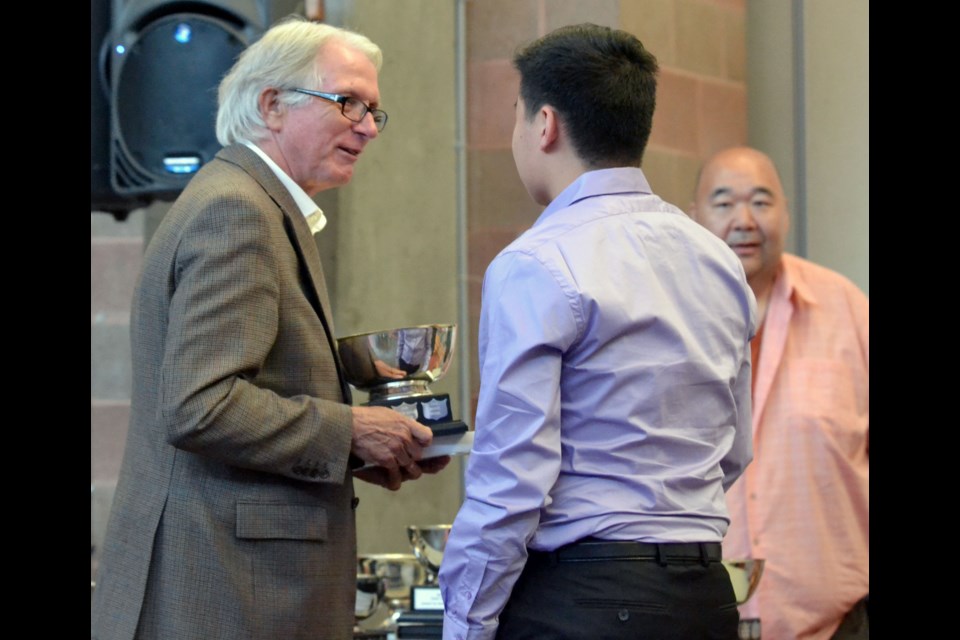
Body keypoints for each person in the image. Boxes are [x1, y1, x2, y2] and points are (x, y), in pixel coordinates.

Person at [91, 16, 450, 640]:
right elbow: (200, 406)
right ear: (271, 105)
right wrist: (349, 429)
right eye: (348, 102)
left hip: (230, 585)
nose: (367, 126)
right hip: (224, 595)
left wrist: (357, 449)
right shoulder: (239, 211)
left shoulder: (248, 201)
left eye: (374, 110)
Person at [438, 23, 757, 640]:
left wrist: (465, 626)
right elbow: (735, 448)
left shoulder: (535, 262)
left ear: (545, 125)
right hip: (704, 597)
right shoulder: (715, 258)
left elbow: (511, 479)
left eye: (516, 117)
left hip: (584, 597)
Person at [689, 146, 869, 640]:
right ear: (693, 216)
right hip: (697, 619)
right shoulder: (668, 322)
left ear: (785, 212)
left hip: (839, 622)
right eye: (724, 204)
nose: (744, 220)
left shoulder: (849, 310)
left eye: (762, 202)